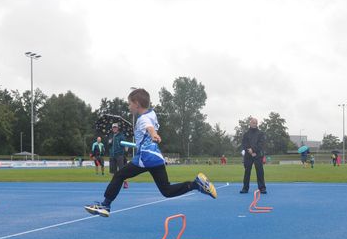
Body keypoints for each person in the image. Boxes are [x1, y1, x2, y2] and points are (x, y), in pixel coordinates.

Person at [85, 88, 217, 217]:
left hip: (146, 157)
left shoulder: (143, 120)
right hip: (156, 157)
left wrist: (153, 134)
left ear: (137, 104)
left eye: (130, 103)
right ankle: (196, 184)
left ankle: (105, 205)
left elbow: (149, 127)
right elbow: (149, 125)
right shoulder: (151, 113)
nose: (128, 106)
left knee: (119, 175)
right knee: (166, 190)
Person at [240, 117, 267, 194]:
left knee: (260, 172)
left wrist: (254, 150)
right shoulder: (246, 134)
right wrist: (250, 151)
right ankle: (245, 188)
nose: (254, 124)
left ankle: (262, 188)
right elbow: (244, 144)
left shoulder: (261, 134)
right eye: (253, 122)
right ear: (250, 123)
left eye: (255, 123)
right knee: (247, 172)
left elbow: (261, 144)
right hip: (248, 156)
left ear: (257, 124)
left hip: (258, 155)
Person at [108, 123, 129, 188]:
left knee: (122, 170)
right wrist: (109, 142)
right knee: (112, 170)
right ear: (112, 128)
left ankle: (125, 182)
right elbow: (109, 146)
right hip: (112, 155)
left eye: (116, 127)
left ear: (118, 128)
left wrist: (126, 149)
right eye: (113, 127)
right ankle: (113, 183)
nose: (114, 128)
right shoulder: (110, 136)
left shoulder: (121, 136)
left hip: (119, 155)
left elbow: (125, 144)